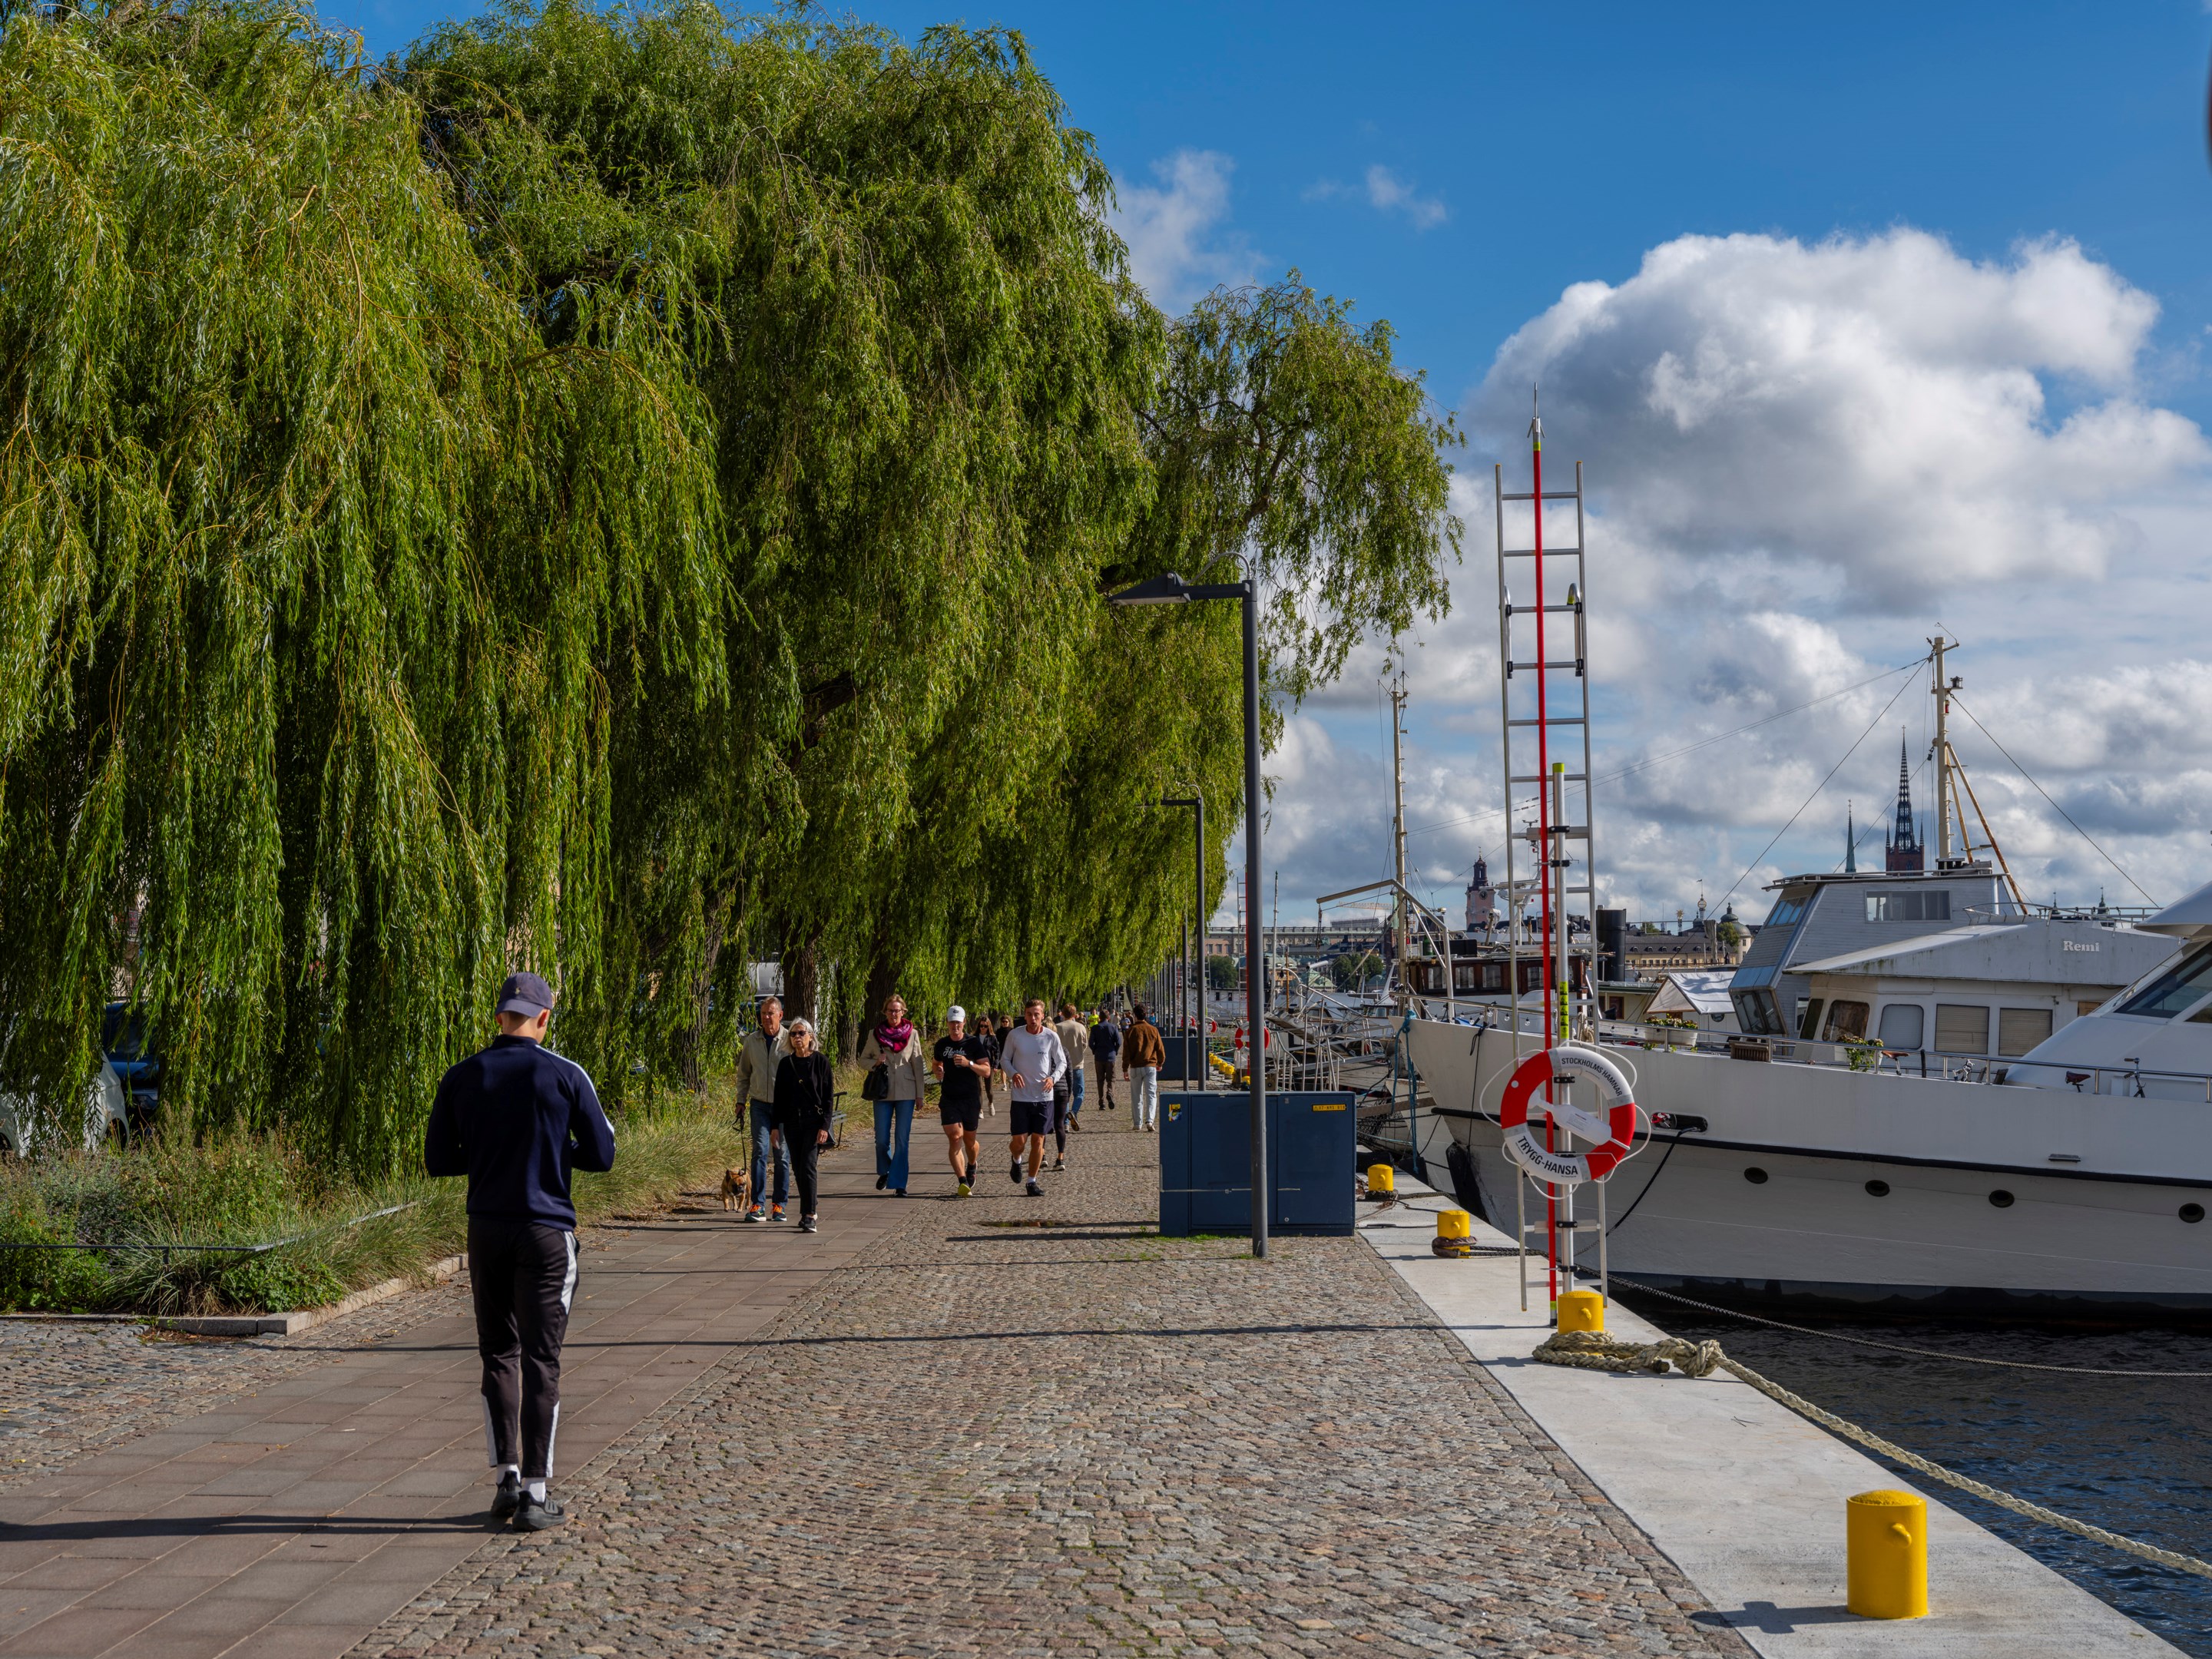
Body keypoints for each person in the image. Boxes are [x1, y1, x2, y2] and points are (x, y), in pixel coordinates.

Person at [425, 971, 615, 1532]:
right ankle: (536, 1490)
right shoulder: (565, 1074)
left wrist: (490, 1157)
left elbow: (438, 1159)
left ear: (499, 1015)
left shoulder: (462, 1076)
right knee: (541, 1358)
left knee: (498, 1353)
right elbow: (603, 1154)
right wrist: (553, 1149)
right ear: (545, 1017)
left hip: (486, 1228)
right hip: (545, 1232)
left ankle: (506, 1477)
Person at [858, 994, 926, 1197]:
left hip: (906, 1092)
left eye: (897, 1010)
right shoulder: (875, 1034)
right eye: (890, 1010)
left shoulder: (913, 1034)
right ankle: (886, 1171)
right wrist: (875, 1063)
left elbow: (918, 1066)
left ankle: (900, 1184)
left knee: (902, 1139)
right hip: (883, 1091)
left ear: (903, 1012)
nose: (893, 1014)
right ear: (885, 1012)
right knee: (881, 1139)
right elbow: (863, 1060)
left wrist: (920, 1095)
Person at [772, 1018, 836, 1233]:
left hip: (813, 1121)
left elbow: (828, 1098)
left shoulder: (821, 1062)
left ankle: (809, 1215)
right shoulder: (785, 1064)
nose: (797, 1038)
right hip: (792, 1121)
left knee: (808, 1165)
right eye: (793, 1034)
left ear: (810, 1036)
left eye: (801, 1033)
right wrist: (774, 1127)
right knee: (798, 1168)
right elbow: (779, 1098)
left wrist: (825, 1126)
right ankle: (807, 1210)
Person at [733, 997, 793, 1222]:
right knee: (759, 1151)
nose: (766, 1017)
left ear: (780, 1014)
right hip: (758, 1104)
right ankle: (757, 1204)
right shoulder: (752, 1041)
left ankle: (779, 1205)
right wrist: (740, 1101)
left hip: (783, 1106)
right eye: (764, 1013)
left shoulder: (789, 1040)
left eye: (771, 1013)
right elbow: (744, 1074)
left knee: (781, 1155)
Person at [998, 997, 1066, 1196]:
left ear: (1042, 1016)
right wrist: (1013, 1074)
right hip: (1021, 1098)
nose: (1033, 1018)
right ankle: (1016, 1159)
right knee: (1019, 1142)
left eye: (1036, 1014)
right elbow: (1004, 1059)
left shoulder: (1051, 1037)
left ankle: (1032, 1182)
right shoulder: (1015, 1035)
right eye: (1029, 1014)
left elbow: (1061, 1062)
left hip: (1044, 1098)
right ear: (1025, 1015)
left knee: (1038, 1140)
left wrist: (1053, 1078)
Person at [932, 1006, 992, 1196]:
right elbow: (936, 1063)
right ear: (948, 1023)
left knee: (970, 1141)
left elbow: (987, 1070)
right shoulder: (942, 1044)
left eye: (958, 1022)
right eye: (952, 1022)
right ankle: (962, 1181)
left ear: (964, 1022)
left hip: (970, 1098)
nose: (955, 1025)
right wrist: (938, 1071)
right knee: (955, 1137)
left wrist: (970, 1064)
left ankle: (972, 1163)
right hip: (950, 1097)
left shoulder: (973, 1043)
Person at [1051, 1002, 1089, 1166]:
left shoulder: (1057, 1027)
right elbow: (1085, 1044)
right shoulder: (1080, 1027)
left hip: (1062, 1064)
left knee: (1065, 1094)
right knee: (1079, 1092)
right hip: (1077, 1064)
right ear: (1074, 1014)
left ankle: (1066, 1122)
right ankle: (1073, 1112)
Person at [1124, 1002, 1166, 1132]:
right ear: (1146, 1015)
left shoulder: (1130, 1031)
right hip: (1150, 1067)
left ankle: (1137, 1123)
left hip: (1135, 1067)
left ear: (1135, 1016)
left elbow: (1126, 1052)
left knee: (1137, 1096)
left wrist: (1125, 1069)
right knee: (1151, 1094)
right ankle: (1150, 1120)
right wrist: (1160, 1063)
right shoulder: (1153, 1030)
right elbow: (1160, 1049)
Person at [1088, 1012, 1121, 1112]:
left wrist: (1094, 1050)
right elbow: (1119, 1042)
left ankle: (1101, 1102)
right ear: (1108, 1018)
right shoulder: (1113, 1027)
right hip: (1110, 1057)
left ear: (1100, 1018)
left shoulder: (1095, 1028)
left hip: (1099, 1057)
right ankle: (1110, 1093)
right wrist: (1115, 1051)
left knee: (1100, 1080)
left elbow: (1091, 1043)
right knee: (1111, 1079)